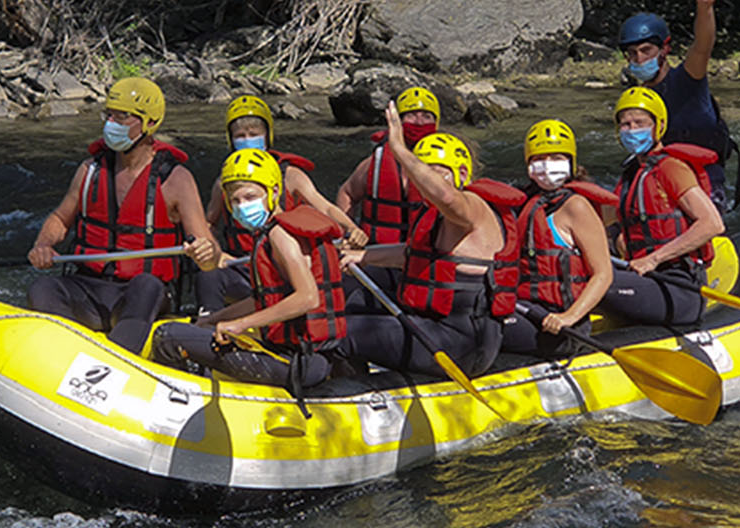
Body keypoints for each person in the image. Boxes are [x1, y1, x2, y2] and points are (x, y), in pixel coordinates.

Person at [26, 77, 218, 353]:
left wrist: (205, 253)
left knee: (147, 285)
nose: (111, 123)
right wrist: (43, 245)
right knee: (42, 288)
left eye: (122, 117)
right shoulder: (90, 170)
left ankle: (117, 360)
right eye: (109, 115)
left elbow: (207, 251)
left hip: (140, 294)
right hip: (88, 286)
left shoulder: (175, 179)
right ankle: (65, 355)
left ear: (149, 123)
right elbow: (59, 219)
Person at [340, 105, 522, 379]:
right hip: (434, 328)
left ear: (461, 173)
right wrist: (360, 256)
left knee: (342, 332)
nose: (425, 183)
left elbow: (447, 197)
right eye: (422, 174)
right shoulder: (436, 216)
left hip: (461, 346)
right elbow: (412, 255)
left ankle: (346, 398)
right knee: (346, 303)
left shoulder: (473, 207)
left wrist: (400, 150)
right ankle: (357, 383)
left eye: (437, 173)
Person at [152, 148, 351, 394]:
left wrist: (239, 325)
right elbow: (262, 300)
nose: (242, 206)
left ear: (274, 192)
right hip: (304, 356)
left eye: (250, 197)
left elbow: (308, 297)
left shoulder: (280, 236)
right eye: (235, 201)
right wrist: (214, 320)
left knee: (168, 335)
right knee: (197, 328)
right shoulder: (268, 234)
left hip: (299, 362)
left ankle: (176, 402)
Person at [198, 94, 366, 316]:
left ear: (268, 136)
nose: (248, 140)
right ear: (231, 140)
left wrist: (351, 228)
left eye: (254, 134)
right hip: (242, 265)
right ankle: (207, 323)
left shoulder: (290, 175)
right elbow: (210, 222)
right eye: (240, 136)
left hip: (284, 269)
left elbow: (324, 208)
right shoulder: (226, 182)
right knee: (208, 276)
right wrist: (215, 253)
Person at [617, 0, 740, 211]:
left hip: (704, 183)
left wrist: (705, 7)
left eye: (646, 50)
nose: (639, 59)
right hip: (662, 181)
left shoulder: (687, 79)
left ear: (665, 49)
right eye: (632, 53)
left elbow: (702, 46)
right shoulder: (637, 99)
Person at [601, 87, 724, 327]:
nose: (632, 130)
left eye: (640, 123)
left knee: (598, 283)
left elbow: (712, 224)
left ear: (658, 126)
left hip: (679, 286)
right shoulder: (630, 176)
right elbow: (616, 230)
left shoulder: (671, 168)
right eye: (626, 125)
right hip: (646, 279)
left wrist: (653, 259)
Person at [502, 120, 614, 358]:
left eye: (555, 158)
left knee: (486, 333)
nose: (547, 166)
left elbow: (603, 273)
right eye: (538, 159)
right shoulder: (523, 204)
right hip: (528, 310)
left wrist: (568, 317)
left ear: (570, 162)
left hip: (562, 324)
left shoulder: (577, 207)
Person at [335, 85, 437, 309]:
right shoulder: (377, 161)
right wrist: (348, 231)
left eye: (426, 116)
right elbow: (347, 192)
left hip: (421, 264)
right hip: (374, 256)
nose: (419, 122)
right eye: (411, 115)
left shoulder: (444, 166)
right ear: (397, 121)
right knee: (342, 293)